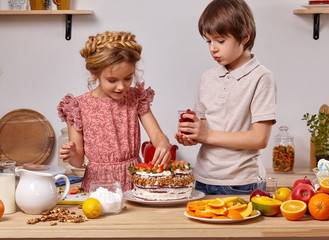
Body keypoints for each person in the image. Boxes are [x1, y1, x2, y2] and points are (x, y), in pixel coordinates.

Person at [175, 0, 277, 195]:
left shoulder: (261, 77)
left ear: (245, 36)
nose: (213, 48)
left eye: (220, 41)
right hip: (202, 179)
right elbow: (206, 128)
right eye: (209, 41)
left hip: (241, 183)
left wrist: (206, 135)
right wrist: (192, 136)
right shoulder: (208, 77)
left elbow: (259, 138)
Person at [58, 31, 171, 192]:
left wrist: (163, 144)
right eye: (112, 80)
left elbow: (157, 136)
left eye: (128, 78)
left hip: (134, 180)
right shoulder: (77, 106)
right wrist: (71, 153)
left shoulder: (136, 98)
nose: (121, 86)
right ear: (94, 73)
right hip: (98, 186)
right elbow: (77, 162)